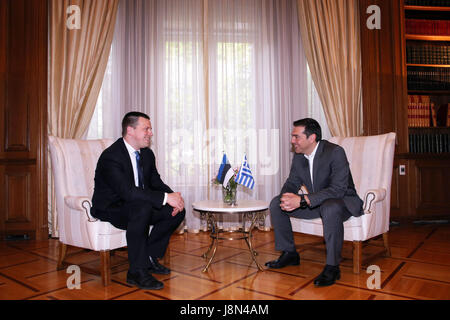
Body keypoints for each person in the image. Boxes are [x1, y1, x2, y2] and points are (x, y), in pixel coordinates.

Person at [91, 111, 185, 290]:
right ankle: (137, 271)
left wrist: (175, 198)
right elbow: (127, 192)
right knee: (142, 207)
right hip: (112, 207)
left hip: (136, 205)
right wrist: (166, 198)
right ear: (130, 130)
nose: (150, 133)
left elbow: (156, 183)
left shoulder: (147, 155)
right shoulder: (111, 156)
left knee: (177, 211)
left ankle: (150, 257)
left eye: (150, 129)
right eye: (146, 129)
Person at [265, 118, 364, 287]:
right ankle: (290, 253)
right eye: (292, 136)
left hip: (343, 202)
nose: (292, 140)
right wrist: (286, 197)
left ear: (312, 138)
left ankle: (333, 267)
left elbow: (338, 190)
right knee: (276, 203)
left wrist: (303, 200)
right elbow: (292, 182)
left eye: (296, 137)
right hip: (317, 204)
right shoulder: (299, 157)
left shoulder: (335, 152)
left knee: (330, 207)